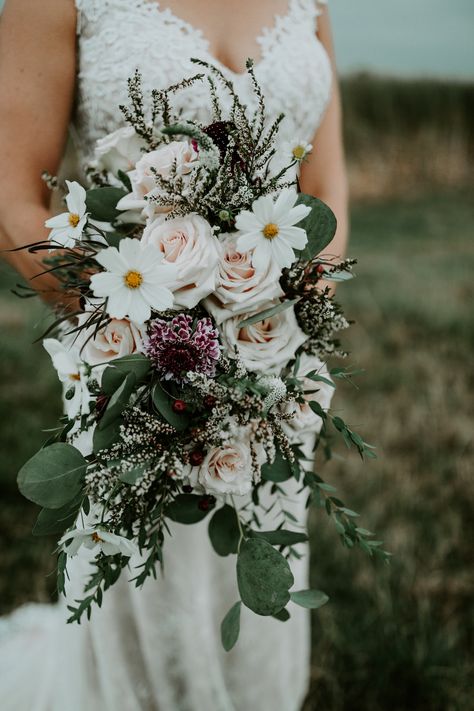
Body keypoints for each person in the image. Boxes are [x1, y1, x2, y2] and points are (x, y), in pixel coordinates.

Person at [0, 1, 348, 709]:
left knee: (256, 579)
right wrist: (137, 333)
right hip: (131, 373)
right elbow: (11, 189)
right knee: (143, 594)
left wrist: (290, 312)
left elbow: (325, 188)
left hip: (273, 366)